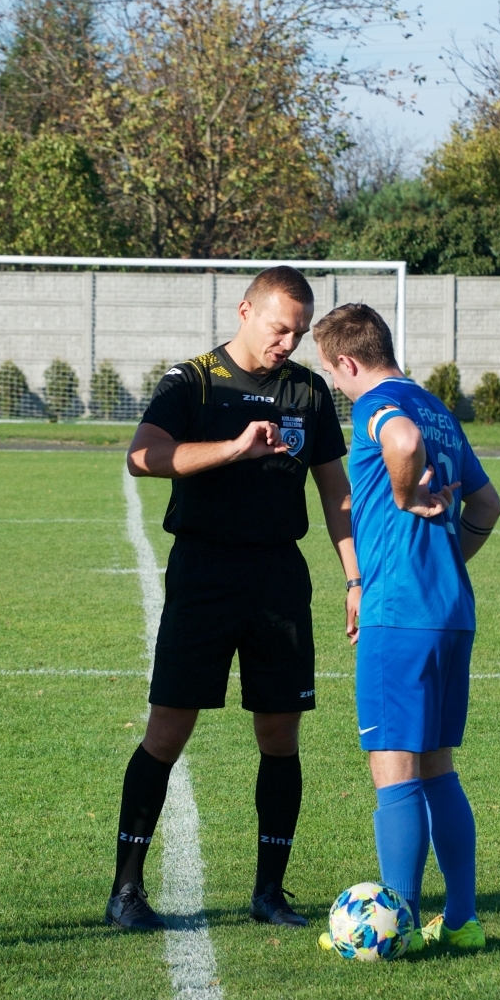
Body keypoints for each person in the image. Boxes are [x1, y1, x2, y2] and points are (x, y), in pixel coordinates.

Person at [105, 265, 360, 932]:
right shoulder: (191, 380)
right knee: (167, 731)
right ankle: (125, 890)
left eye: (300, 334)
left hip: (278, 578)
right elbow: (143, 456)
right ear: (245, 311)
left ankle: (269, 892)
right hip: (204, 573)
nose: (289, 343)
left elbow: (335, 492)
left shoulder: (306, 391)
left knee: (279, 734)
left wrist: (355, 578)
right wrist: (232, 449)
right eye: (281, 329)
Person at [314, 303, 500, 953]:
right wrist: (447, 558)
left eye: (334, 377)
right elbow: (487, 503)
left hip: (398, 613)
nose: (338, 391)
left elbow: (398, 443)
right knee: (438, 770)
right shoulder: (438, 409)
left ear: (348, 362)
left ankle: (395, 928)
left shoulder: (379, 406)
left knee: (394, 770)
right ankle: (461, 920)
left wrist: (400, 495)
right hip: (451, 613)